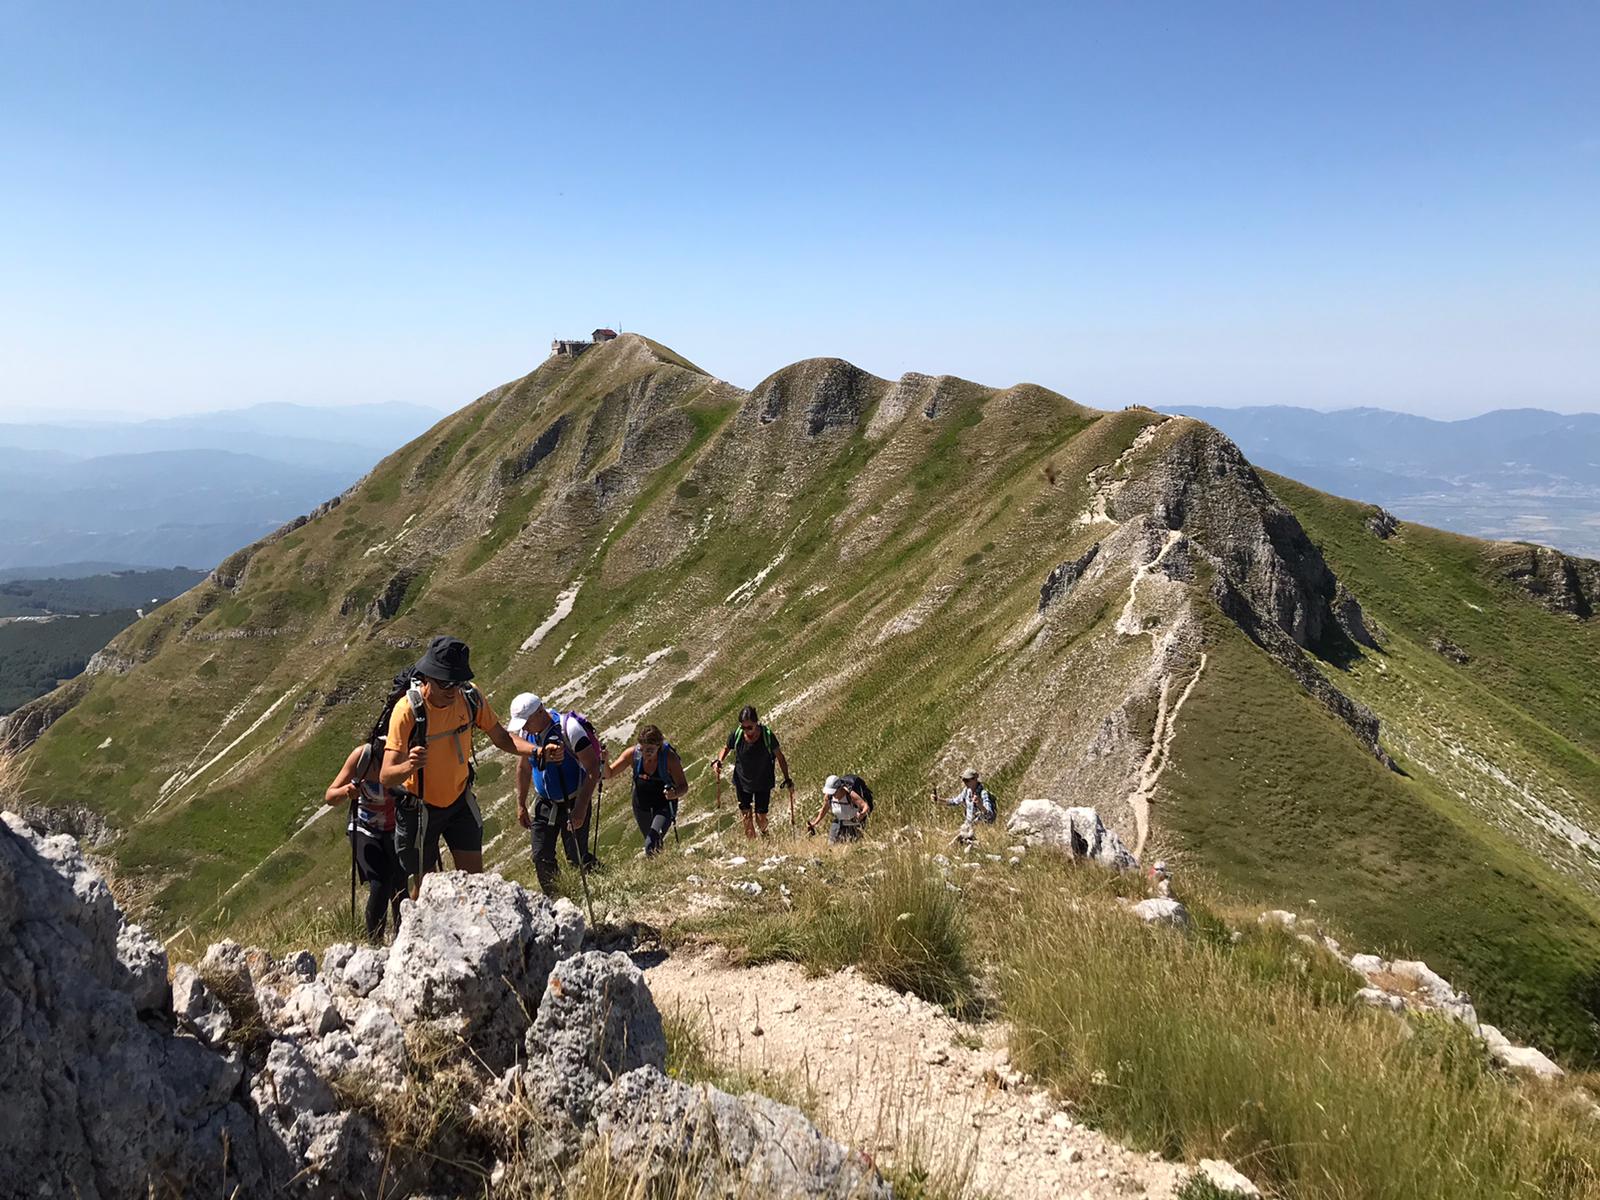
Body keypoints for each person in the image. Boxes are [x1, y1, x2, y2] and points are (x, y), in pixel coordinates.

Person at [379, 636, 537, 893]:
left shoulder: (470, 697)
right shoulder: (407, 710)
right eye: (445, 683)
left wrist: (537, 752)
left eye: (457, 682)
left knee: (476, 883)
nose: (452, 690)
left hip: (459, 802)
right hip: (419, 810)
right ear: (427, 677)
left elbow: (502, 737)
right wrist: (410, 765)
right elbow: (386, 776)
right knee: (425, 890)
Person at [509, 692, 603, 894]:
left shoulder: (569, 729)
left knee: (575, 856)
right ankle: (554, 900)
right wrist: (521, 804)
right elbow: (523, 768)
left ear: (540, 712)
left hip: (574, 800)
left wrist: (580, 809)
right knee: (540, 855)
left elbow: (593, 769)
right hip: (544, 802)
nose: (523, 727)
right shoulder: (527, 735)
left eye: (526, 722)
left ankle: (598, 882)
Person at [324, 735, 408, 942]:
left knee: (400, 885)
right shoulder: (362, 757)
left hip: (395, 829)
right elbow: (330, 796)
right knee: (380, 881)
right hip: (364, 827)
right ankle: (375, 942)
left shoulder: (407, 757)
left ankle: (404, 939)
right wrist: (347, 791)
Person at [605, 723, 688, 857]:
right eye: (643, 749)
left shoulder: (669, 758)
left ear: (659, 746)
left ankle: (658, 865)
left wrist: (675, 794)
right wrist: (604, 761)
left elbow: (684, 786)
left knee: (651, 842)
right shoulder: (633, 754)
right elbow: (609, 774)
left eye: (651, 750)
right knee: (653, 842)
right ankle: (660, 865)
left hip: (664, 805)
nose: (646, 753)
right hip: (640, 805)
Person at [714, 705, 793, 838]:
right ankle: (753, 847)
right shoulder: (737, 734)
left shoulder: (767, 736)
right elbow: (726, 748)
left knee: (760, 818)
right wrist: (719, 760)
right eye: (743, 727)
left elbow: (780, 757)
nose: (746, 731)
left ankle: (764, 833)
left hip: (763, 782)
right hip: (742, 781)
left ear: (756, 723)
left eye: (749, 727)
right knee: (746, 816)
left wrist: (787, 778)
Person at [807, 773, 870, 844]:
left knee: (852, 847)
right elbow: (824, 810)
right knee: (831, 846)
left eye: (834, 792)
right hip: (838, 824)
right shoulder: (828, 796)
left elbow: (865, 806)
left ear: (840, 788)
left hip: (853, 825)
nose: (832, 795)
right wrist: (815, 823)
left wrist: (861, 815)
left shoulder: (850, 794)